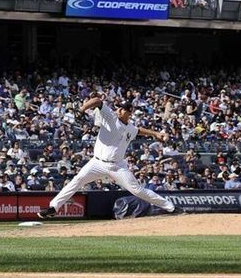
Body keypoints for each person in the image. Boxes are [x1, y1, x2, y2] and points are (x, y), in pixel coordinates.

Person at [37, 93, 179, 220]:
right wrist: (82, 109)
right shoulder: (111, 117)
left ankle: (171, 208)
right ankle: (53, 208)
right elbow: (97, 101)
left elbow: (138, 130)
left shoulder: (130, 128)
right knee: (77, 180)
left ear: (128, 113)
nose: (119, 110)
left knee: (137, 190)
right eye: (119, 108)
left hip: (117, 166)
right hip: (97, 163)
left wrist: (155, 134)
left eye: (122, 109)